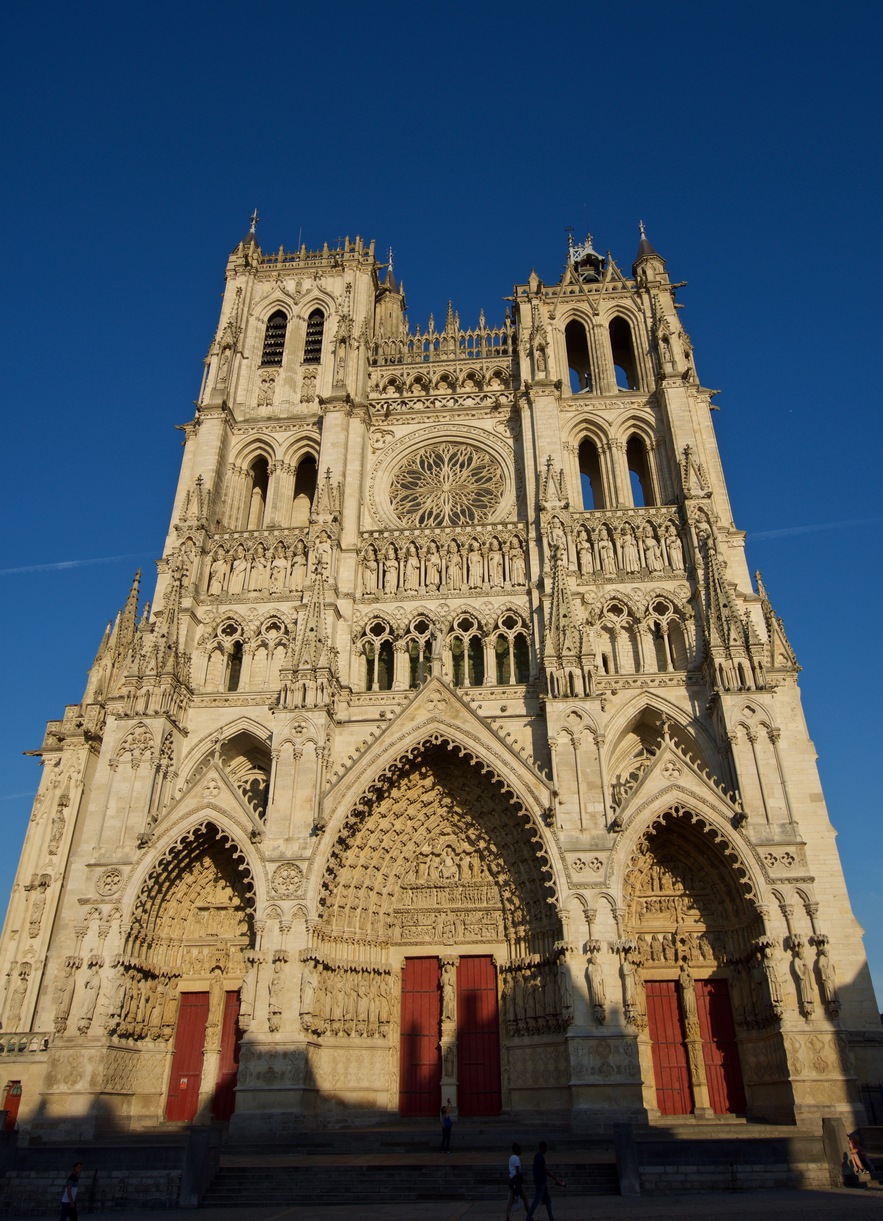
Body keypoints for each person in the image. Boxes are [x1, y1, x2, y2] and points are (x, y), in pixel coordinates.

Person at [525, 1141, 564, 1221]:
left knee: (548, 1201)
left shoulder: (538, 1156)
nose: (546, 1150)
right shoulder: (539, 1156)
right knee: (536, 1202)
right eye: (545, 1148)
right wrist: (554, 1178)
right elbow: (545, 1170)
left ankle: (551, 1218)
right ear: (542, 1147)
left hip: (541, 1182)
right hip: (540, 1182)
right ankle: (528, 1219)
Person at [506, 1141, 529, 1219]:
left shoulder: (510, 1158)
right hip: (516, 1181)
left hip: (511, 1180)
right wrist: (522, 1178)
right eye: (520, 1150)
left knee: (511, 1200)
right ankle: (529, 1216)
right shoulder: (517, 1158)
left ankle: (507, 1217)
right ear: (518, 1150)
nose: (521, 1151)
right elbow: (517, 1170)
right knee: (525, 1198)